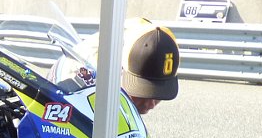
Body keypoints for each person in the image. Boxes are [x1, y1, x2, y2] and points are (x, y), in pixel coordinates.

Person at [50, 17, 180, 116]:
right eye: (144, 93)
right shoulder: (87, 66)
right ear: (122, 69)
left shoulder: (162, 39)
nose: (151, 104)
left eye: (158, 95)